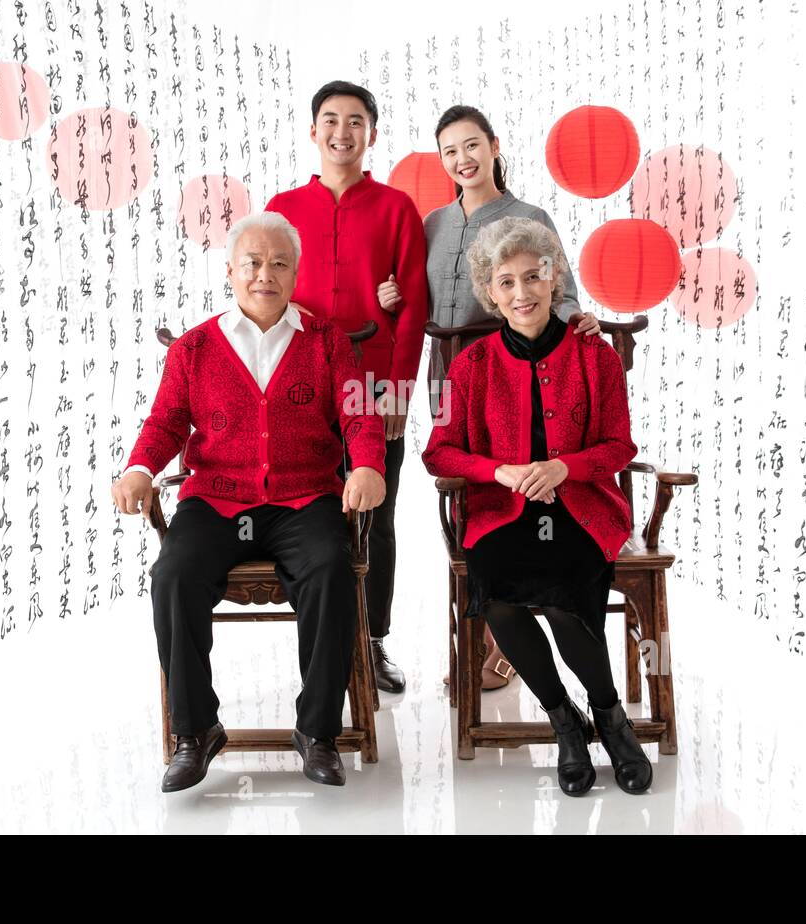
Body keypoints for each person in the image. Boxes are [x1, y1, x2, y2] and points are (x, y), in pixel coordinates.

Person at [113, 211, 387, 792]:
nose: (266, 274)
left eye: (280, 263)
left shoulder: (329, 341)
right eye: (254, 263)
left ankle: (317, 732)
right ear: (231, 271)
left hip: (302, 498)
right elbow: (165, 422)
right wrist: (140, 468)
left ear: (295, 272)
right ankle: (195, 731)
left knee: (331, 570)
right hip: (215, 500)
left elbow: (359, 415)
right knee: (173, 577)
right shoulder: (194, 348)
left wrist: (366, 463)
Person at [421, 216, 652, 796]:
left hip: (582, 506)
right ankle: (563, 722)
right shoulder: (471, 365)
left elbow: (620, 445)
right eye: (506, 282)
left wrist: (564, 468)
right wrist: (498, 470)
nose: (521, 292)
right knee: (498, 595)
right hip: (502, 511)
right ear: (490, 293)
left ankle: (610, 718)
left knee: (568, 589)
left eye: (533, 276)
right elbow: (438, 453)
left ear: (554, 278)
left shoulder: (592, 354)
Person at [418, 104, 602, 690]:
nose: (462, 159)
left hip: (512, 371)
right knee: (465, 494)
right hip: (445, 375)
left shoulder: (528, 215)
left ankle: (500, 650)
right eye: (450, 151)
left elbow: (560, 289)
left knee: (522, 494)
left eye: (471, 145)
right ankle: (477, 629)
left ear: (494, 146)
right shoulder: (433, 223)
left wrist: (579, 318)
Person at [265, 80, 429, 693]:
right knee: (305, 511)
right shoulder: (282, 207)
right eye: (330, 120)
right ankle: (323, 645)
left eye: (355, 121)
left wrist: (398, 393)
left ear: (372, 134)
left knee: (378, 516)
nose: (342, 132)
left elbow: (413, 306)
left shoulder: (396, 208)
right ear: (313, 131)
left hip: (373, 386)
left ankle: (373, 639)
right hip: (300, 387)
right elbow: (266, 296)